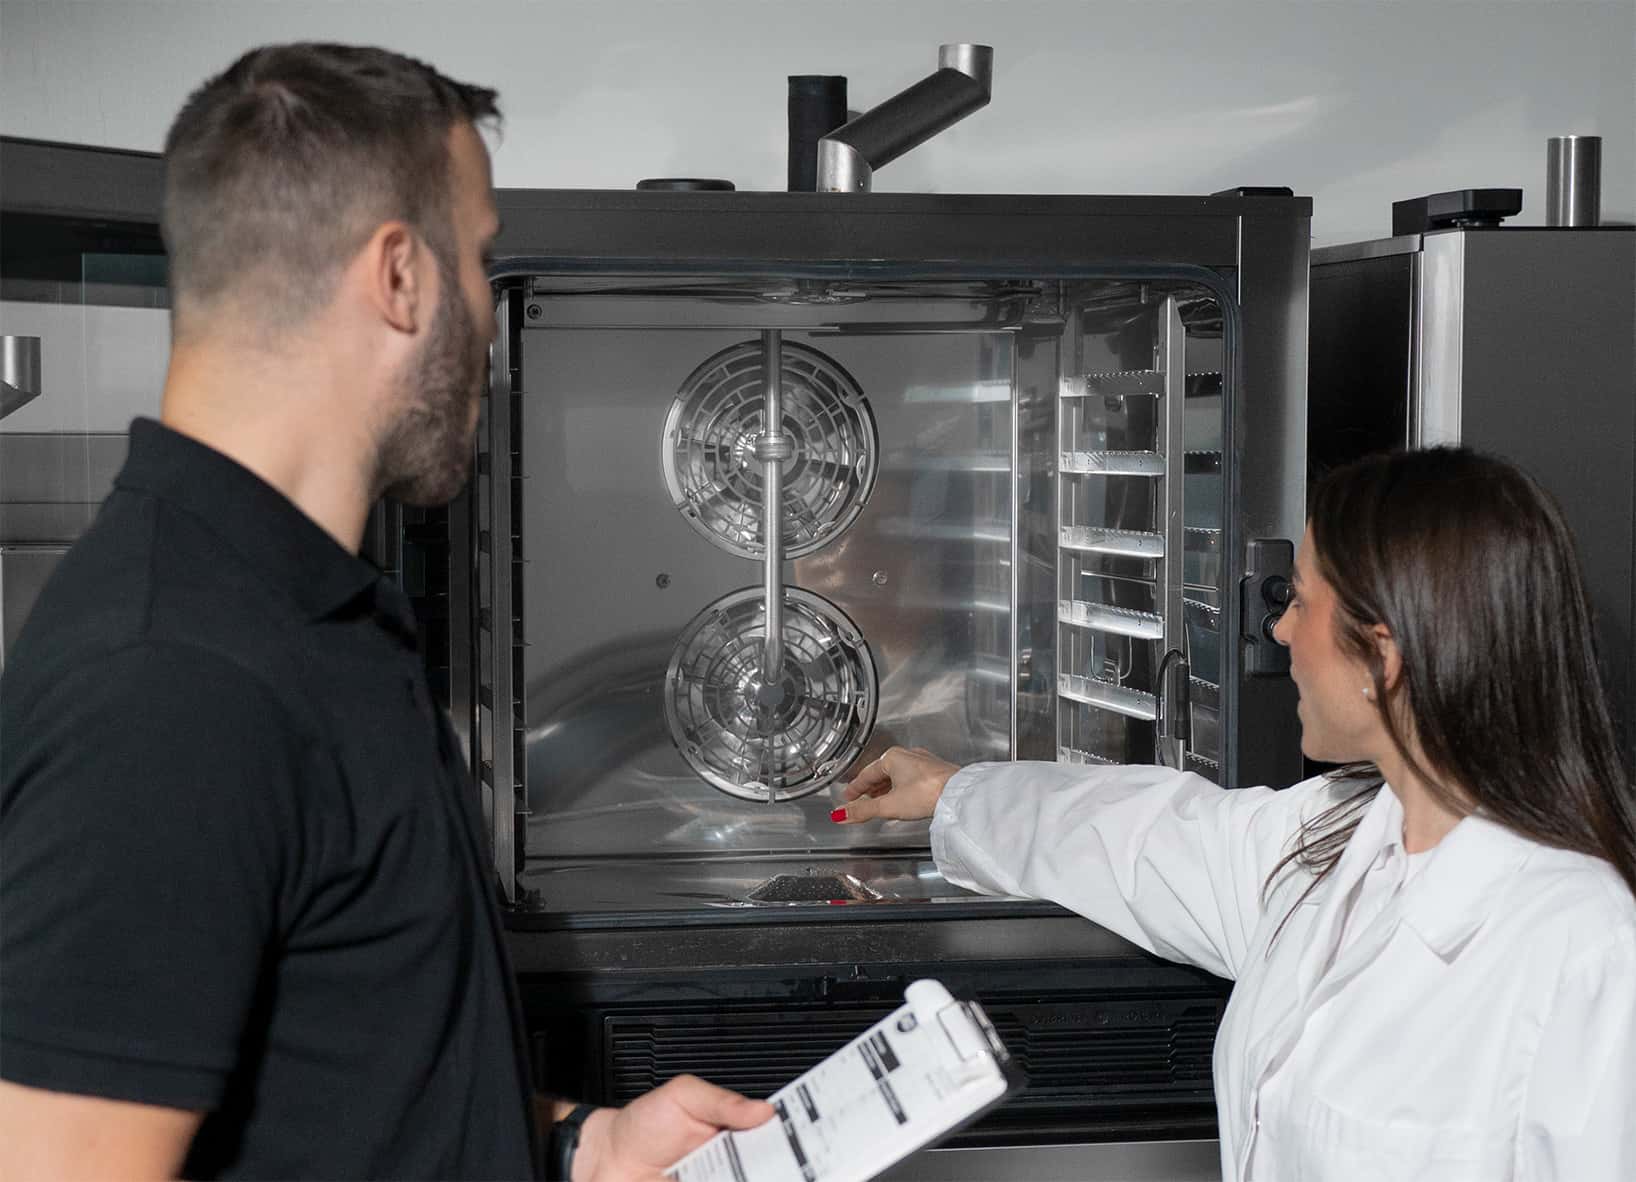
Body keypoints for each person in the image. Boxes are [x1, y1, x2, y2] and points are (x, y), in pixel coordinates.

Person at [0, 44, 771, 1181]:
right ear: (399, 277)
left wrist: (581, 1147)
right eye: (477, 261)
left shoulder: (308, 613)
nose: (488, 317)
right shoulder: (172, 681)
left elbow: (340, 1079)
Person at [835, 447, 1636, 1180]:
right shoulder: (1340, 838)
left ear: (1383, 657)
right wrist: (954, 790)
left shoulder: (1585, 946)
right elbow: (1145, 839)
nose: (1279, 627)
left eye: (1302, 601)